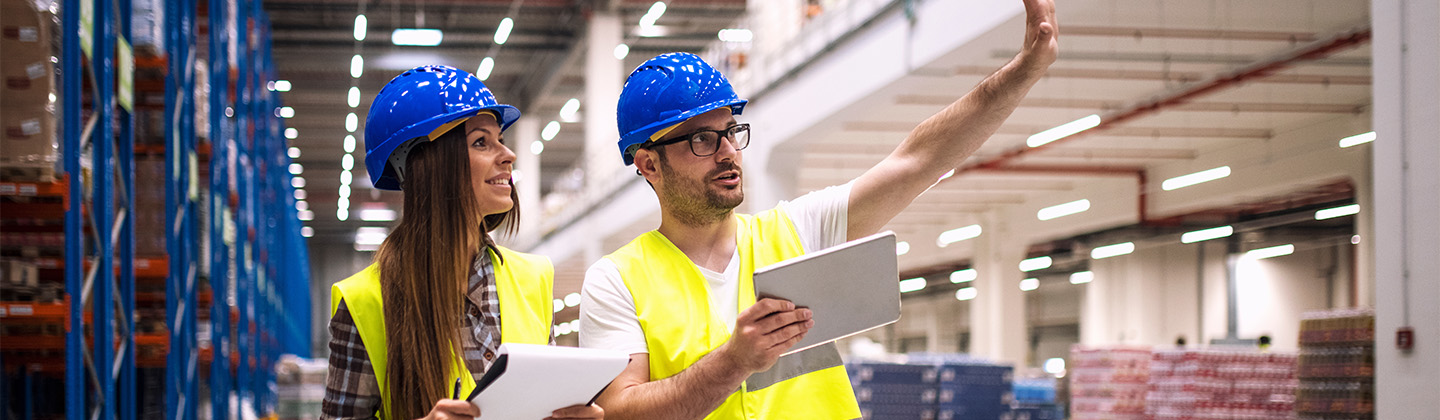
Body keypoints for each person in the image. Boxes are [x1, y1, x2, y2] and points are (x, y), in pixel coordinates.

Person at [577, 0, 1058, 418]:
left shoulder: (797, 234)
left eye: (731, 131)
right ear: (649, 164)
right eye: (702, 139)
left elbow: (917, 160)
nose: (727, 151)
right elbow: (620, 411)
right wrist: (734, 361)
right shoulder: (616, 280)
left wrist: (1025, 69)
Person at [322, 66, 604, 420]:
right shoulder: (365, 300)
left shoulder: (533, 278)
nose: (508, 155)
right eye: (481, 142)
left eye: (500, 139)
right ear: (431, 165)